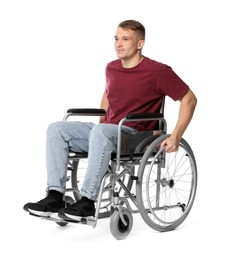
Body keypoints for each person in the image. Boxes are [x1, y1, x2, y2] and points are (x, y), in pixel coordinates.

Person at [23, 19, 197, 222]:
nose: (118, 44)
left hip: (136, 135)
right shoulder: (111, 68)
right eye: (116, 38)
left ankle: (87, 201)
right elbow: (107, 95)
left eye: (125, 39)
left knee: (101, 132)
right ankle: (55, 196)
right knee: (56, 129)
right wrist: (99, 132)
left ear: (140, 44)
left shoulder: (157, 71)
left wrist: (176, 136)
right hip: (110, 132)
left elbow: (189, 99)